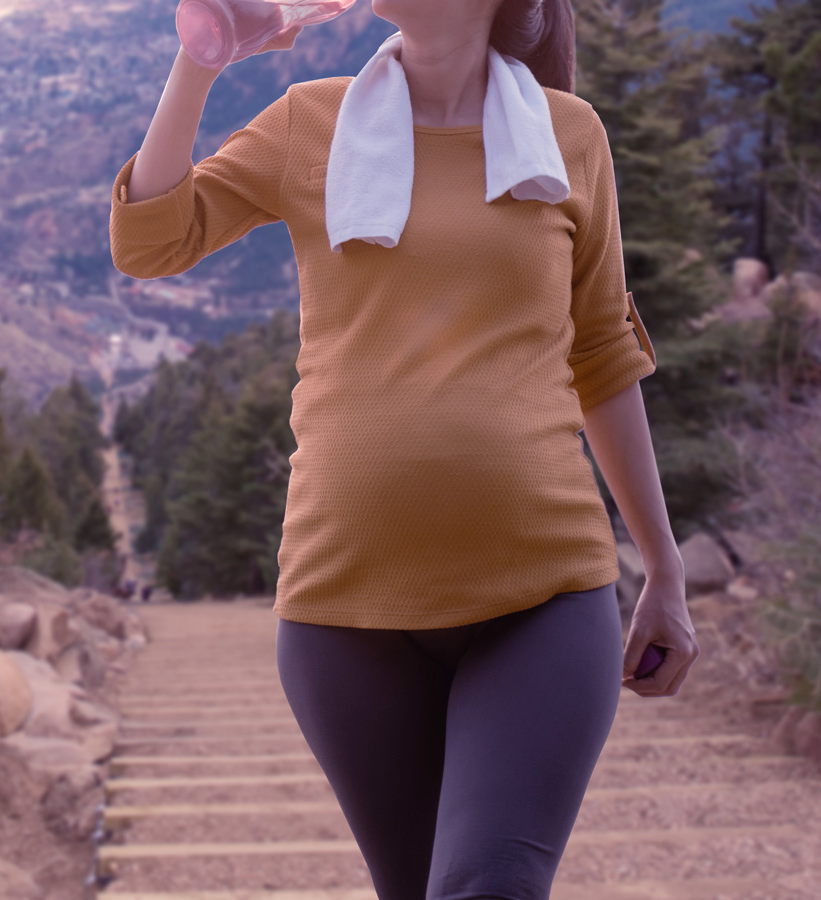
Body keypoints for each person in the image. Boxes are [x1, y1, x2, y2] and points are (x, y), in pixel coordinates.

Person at [108, 1, 700, 897]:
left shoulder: (568, 136)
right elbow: (149, 240)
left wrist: (663, 565)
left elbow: (603, 355)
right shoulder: (311, 121)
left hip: (543, 597)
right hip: (344, 612)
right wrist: (204, 57)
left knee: (486, 885)